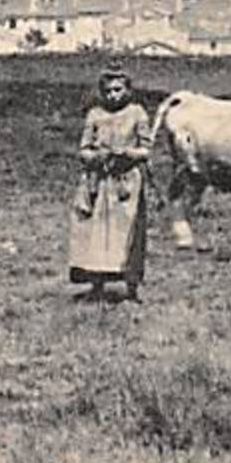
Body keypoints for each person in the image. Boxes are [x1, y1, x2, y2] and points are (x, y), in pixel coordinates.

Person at [70, 65, 151, 301]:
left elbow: (146, 150)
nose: (113, 96)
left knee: (127, 234)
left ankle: (131, 288)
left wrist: (127, 152)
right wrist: (95, 156)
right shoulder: (95, 114)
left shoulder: (137, 113)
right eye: (108, 91)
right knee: (96, 233)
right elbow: (83, 149)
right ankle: (97, 287)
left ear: (128, 90)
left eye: (118, 90)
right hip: (99, 181)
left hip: (127, 183)